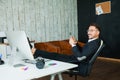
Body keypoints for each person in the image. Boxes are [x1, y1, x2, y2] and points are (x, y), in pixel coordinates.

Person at [31, 23, 101, 63]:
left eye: (92, 30)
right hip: (74, 58)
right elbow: (83, 52)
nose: (89, 32)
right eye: (88, 30)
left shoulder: (94, 44)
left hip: (75, 61)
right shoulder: (94, 41)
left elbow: (80, 58)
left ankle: (35, 51)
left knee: (54, 56)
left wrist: (73, 45)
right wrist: (76, 43)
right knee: (55, 55)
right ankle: (35, 52)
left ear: (98, 32)